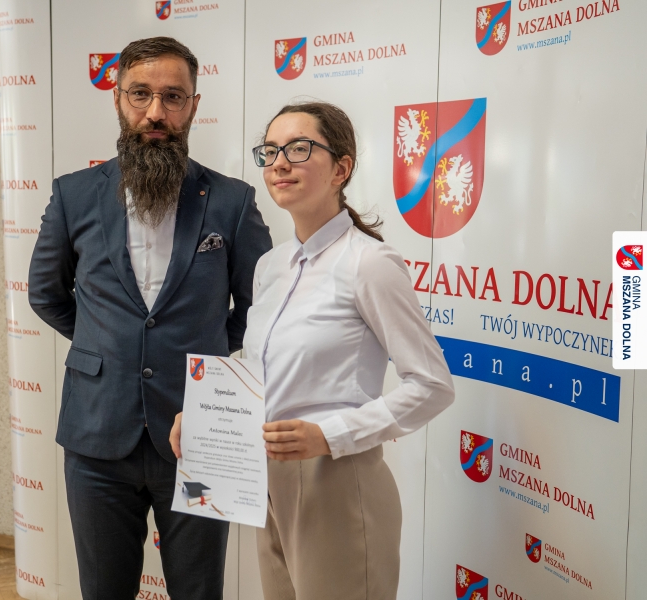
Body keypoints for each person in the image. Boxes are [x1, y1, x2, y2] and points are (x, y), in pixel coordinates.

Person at [172, 101, 455, 599]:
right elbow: (261, 367)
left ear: (341, 169)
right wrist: (203, 415)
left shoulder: (370, 263)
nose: (279, 163)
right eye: (270, 151)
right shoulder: (271, 266)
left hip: (337, 479)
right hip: (264, 478)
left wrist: (330, 435)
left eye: (299, 148)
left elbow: (433, 386)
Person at [28, 36, 272, 600]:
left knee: (199, 590)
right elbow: (45, 293)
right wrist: (104, 344)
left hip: (200, 432)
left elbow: (259, 306)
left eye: (172, 97)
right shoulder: (73, 195)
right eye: (140, 94)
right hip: (96, 434)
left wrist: (209, 353)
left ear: (194, 105)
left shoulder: (232, 201)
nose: (155, 112)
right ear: (118, 99)